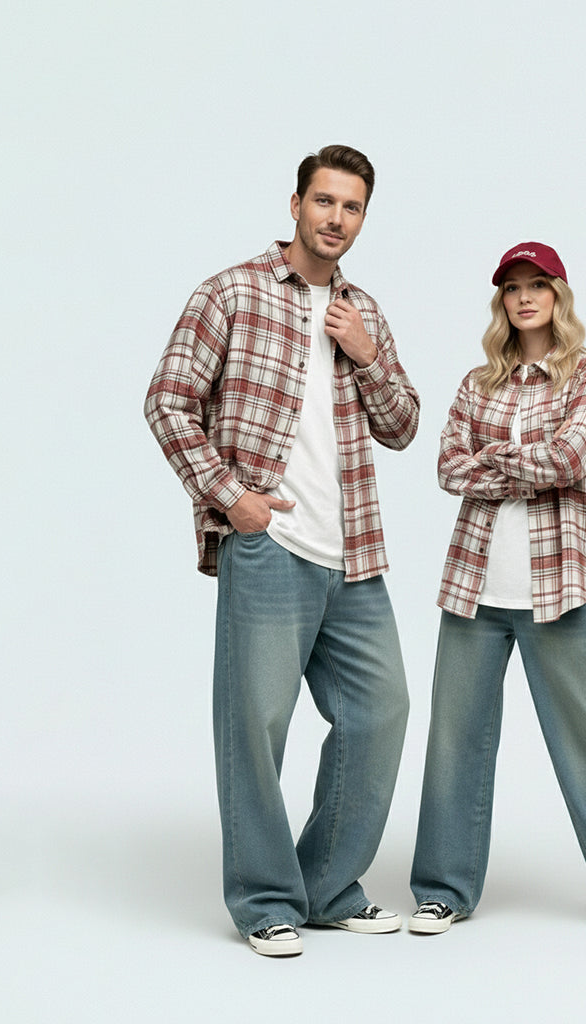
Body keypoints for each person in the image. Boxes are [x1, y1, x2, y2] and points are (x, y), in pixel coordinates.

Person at [145, 145, 419, 957]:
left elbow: (403, 427)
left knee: (382, 712)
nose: (337, 219)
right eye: (325, 202)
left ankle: (328, 886)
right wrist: (232, 499)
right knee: (256, 724)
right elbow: (167, 399)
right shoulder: (232, 291)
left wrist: (367, 354)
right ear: (295, 202)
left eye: (353, 208)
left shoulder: (363, 309)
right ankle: (266, 898)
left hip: (354, 552)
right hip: (269, 546)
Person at [408, 242, 586, 942]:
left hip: (559, 590)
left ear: (558, 295)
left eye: (537, 285)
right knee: (454, 744)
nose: (524, 297)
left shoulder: (585, 372)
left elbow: (572, 456)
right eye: (512, 288)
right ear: (502, 302)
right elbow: (445, 467)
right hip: (474, 589)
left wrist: (491, 459)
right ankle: (442, 891)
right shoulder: (475, 384)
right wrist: (521, 465)